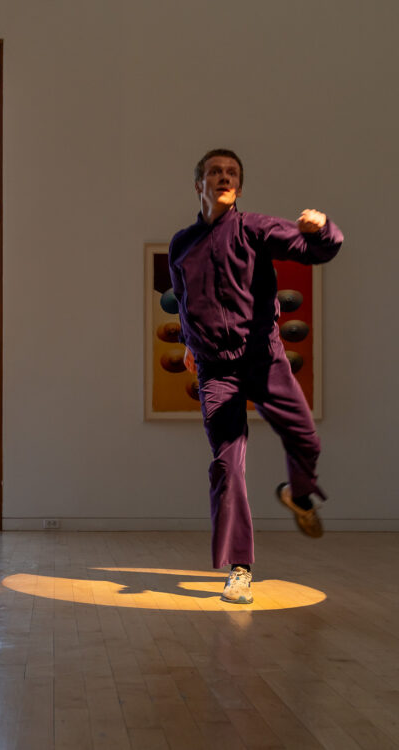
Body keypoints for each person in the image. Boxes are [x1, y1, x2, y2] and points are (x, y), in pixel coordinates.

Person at [169, 149, 343, 604]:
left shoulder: (255, 228)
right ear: (199, 184)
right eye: (214, 172)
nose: (223, 177)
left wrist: (322, 227)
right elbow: (184, 298)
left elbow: (317, 249)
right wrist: (189, 341)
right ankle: (240, 569)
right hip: (216, 370)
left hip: (263, 358)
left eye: (232, 173)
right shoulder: (181, 244)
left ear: (239, 188)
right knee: (227, 466)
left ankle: (299, 494)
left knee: (305, 437)